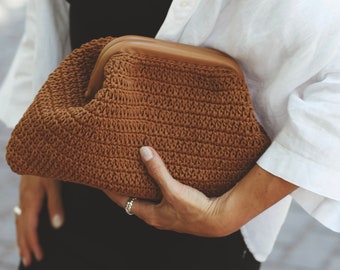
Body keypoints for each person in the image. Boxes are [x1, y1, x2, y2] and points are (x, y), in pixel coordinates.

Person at [1, 0, 340, 269]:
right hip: (72, 183)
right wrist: (38, 148)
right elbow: (51, 12)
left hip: (203, 216)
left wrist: (228, 213)